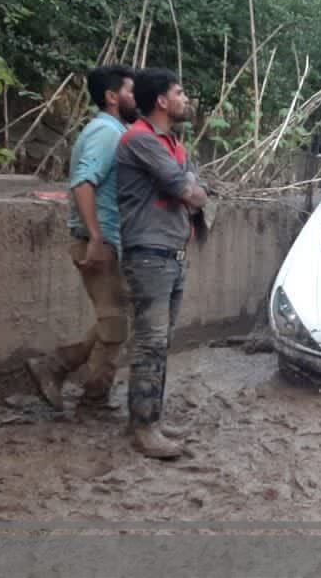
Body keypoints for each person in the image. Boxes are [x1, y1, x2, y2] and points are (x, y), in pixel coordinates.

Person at [25, 65, 137, 412]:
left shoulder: (112, 129)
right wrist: (94, 236)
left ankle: (59, 368)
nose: (137, 97)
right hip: (98, 240)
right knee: (116, 322)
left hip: (106, 239)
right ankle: (89, 395)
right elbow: (83, 181)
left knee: (115, 318)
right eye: (131, 91)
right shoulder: (107, 133)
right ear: (111, 96)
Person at [116, 68, 208, 459]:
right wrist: (192, 189)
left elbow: (193, 187)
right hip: (150, 253)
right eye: (179, 92)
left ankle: (150, 418)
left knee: (160, 341)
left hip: (168, 252)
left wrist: (192, 188)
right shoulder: (140, 140)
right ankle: (143, 427)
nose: (185, 99)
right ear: (161, 101)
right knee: (151, 342)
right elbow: (190, 191)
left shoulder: (171, 143)